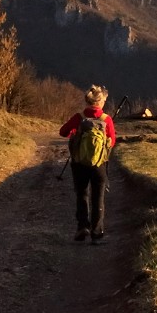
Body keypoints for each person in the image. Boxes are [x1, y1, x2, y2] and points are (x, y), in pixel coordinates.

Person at [59, 84, 117, 242]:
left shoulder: (79, 117)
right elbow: (112, 141)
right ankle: (96, 232)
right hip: (99, 164)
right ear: (100, 102)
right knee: (98, 197)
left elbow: (62, 132)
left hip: (79, 163)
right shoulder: (106, 119)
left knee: (82, 194)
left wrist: (75, 133)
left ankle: (82, 226)